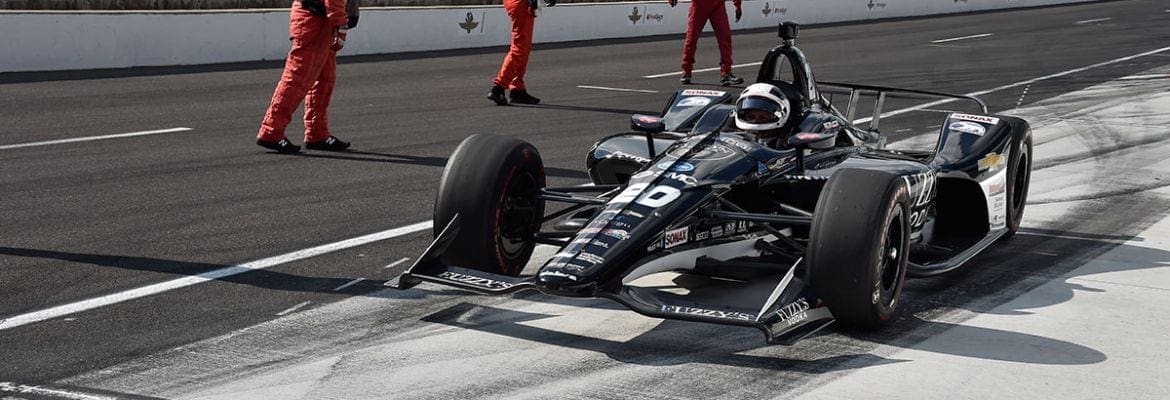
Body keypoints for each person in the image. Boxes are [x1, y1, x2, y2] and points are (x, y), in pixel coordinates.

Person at [256, 0, 360, 153]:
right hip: (313, 20)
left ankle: (317, 133)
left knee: (325, 79)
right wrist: (341, 25)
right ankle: (271, 131)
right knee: (297, 79)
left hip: (323, 20)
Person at [488, 0, 555, 106]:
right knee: (519, 48)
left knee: (524, 47)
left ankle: (517, 89)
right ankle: (498, 88)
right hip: (521, 3)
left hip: (518, 3)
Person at [670, 0, 744, 86]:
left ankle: (726, 73)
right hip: (701, 3)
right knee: (692, 38)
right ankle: (686, 71)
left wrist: (737, 5)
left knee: (725, 37)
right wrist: (737, 5)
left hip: (717, 4)